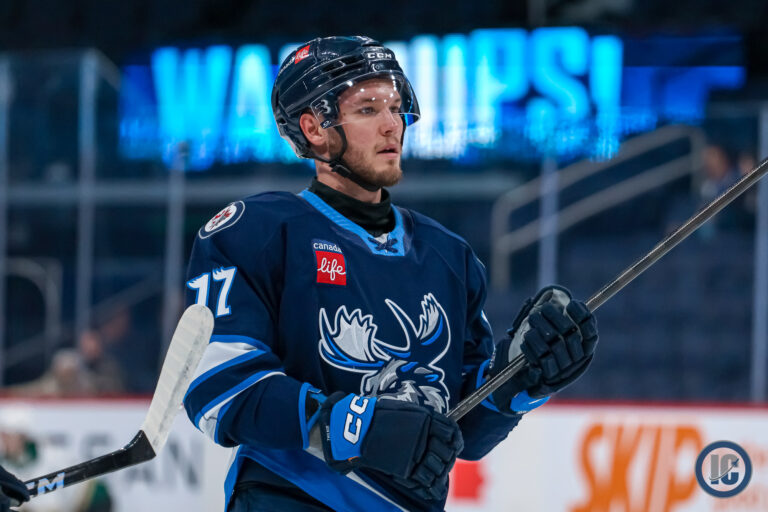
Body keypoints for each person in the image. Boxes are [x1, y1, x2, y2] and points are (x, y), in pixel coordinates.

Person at [183, 36, 598, 512]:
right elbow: (216, 387)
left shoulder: (449, 256)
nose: (391, 125)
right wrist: (346, 426)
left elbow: (461, 431)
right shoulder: (256, 231)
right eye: (367, 109)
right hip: (294, 498)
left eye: (396, 108)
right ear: (313, 128)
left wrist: (521, 379)